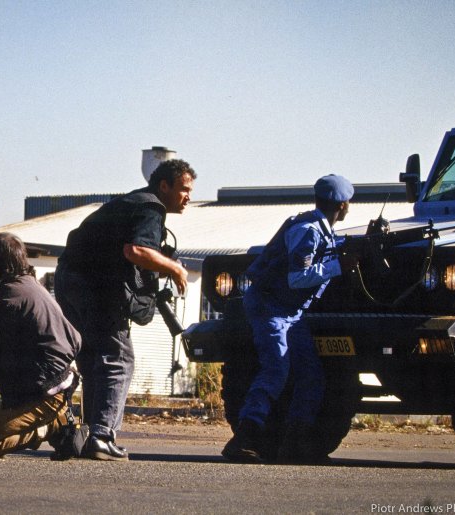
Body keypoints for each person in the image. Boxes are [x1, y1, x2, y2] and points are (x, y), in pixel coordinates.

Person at [54, 159, 196, 460]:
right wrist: (174, 268)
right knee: (119, 357)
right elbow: (136, 251)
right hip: (94, 286)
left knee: (94, 358)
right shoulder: (151, 207)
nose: (188, 196)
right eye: (183, 189)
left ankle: (91, 434)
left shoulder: (130, 202)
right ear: (164, 186)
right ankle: (102, 436)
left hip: (70, 278)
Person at [222, 174, 357, 464]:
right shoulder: (308, 230)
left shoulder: (319, 228)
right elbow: (298, 278)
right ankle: (243, 438)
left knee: (311, 375)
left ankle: (296, 444)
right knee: (275, 370)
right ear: (343, 205)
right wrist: (338, 266)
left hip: (291, 314)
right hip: (272, 309)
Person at [0, 232, 81, 458]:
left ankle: (49, 427)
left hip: (44, 393)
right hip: (37, 381)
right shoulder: (24, 287)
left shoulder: (13, 295)